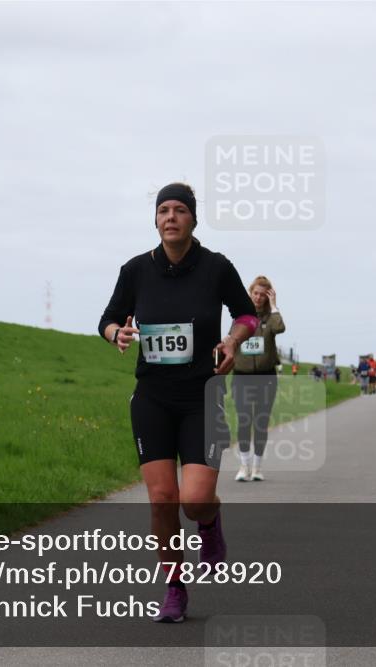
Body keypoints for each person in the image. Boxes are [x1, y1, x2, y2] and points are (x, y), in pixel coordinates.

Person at [98, 183, 258, 623]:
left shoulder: (216, 267)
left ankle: (210, 522)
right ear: (155, 220)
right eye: (163, 210)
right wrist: (119, 334)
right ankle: (173, 588)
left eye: (180, 210)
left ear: (192, 219)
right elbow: (107, 319)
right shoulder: (135, 270)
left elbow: (247, 314)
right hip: (151, 397)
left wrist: (232, 340)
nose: (171, 217)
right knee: (163, 499)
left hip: (202, 397)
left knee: (194, 498)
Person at [232, 276, 285, 482]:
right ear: (250, 292)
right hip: (242, 377)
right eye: (256, 293)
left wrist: (274, 306)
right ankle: (243, 466)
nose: (258, 297)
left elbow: (280, 328)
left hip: (266, 376)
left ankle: (257, 467)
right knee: (244, 421)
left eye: (263, 295)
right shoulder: (240, 314)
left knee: (260, 422)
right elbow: (232, 339)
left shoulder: (270, 318)